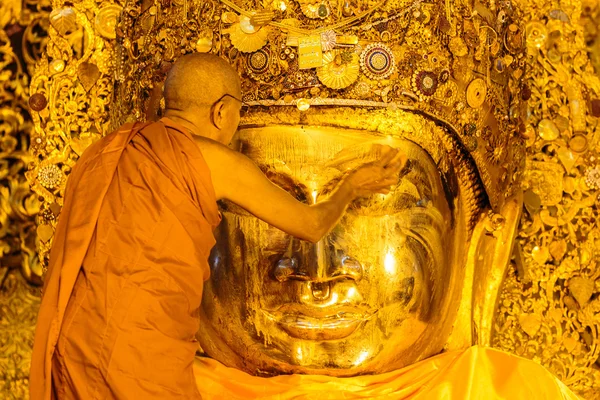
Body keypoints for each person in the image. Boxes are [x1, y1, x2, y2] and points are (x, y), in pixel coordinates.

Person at [28, 53, 404, 399]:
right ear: (223, 112)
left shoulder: (104, 151)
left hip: (74, 339)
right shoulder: (215, 161)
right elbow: (311, 224)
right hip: (139, 352)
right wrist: (353, 186)